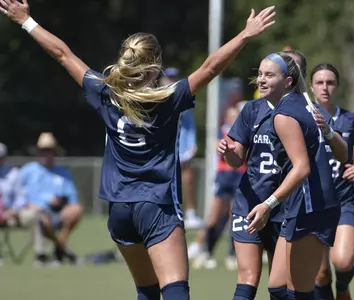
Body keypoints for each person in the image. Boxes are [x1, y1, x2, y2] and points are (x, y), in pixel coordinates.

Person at [1, 1, 276, 298]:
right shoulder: (169, 98)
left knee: (146, 291)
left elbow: (62, 54)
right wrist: (245, 35)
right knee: (175, 289)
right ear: (155, 64)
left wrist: (26, 21)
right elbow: (210, 67)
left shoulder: (105, 93)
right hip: (156, 205)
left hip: (120, 210)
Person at [244, 52, 345, 300]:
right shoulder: (305, 105)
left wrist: (268, 204)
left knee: (301, 292)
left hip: (312, 206)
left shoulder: (284, 115)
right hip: (303, 204)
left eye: (270, 75)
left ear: (288, 81)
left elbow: (302, 168)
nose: (262, 80)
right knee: (278, 287)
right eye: (260, 74)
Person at [308, 63, 354, 300]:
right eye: (319, 82)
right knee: (321, 273)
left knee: (343, 261)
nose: (325, 87)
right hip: (312, 203)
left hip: (343, 199)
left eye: (330, 82)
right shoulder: (302, 118)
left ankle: (344, 287)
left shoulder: (351, 120)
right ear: (311, 86)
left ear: (337, 86)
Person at [190, 106, 244, 270]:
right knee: (214, 216)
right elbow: (216, 148)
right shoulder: (223, 133)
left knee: (235, 217)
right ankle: (206, 251)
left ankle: (232, 255)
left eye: (236, 116)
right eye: (230, 115)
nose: (233, 118)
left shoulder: (244, 132)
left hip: (240, 175)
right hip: (224, 176)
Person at [20, 132, 83, 265]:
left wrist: (66, 206)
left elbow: (72, 198)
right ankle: (61, 250)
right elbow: (17, 192)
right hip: (38, 212)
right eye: (43, 151)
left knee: (76, 210)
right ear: (38, 152)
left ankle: (60, 245)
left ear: (54, 152)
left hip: (59, 211)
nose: (46, 154)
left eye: (48, 151)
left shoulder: (63, 172)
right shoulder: (28, 171)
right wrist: (28, 204)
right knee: (40, 218)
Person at [159, 67, 203, 229]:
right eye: (168, 78)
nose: (171, 81)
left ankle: (190, 212)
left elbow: (190, 125)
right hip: (164, 147)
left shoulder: (183, 97)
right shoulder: (156, 97)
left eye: (174, 78)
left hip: (182, 146)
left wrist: (192, 145)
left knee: (187, 179)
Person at [0, 143, 41, 266]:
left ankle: (40, 255)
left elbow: (21, 197)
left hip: (12, 214)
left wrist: (13, 210)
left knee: (34, 215)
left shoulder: (14, 173)